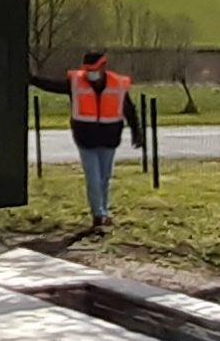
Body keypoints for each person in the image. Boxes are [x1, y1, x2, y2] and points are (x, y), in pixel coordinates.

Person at [31, 51, 142, 230]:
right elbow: (53, 85)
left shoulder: (117, 84)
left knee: (104, 178)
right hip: (86, 140)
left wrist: (137, 132)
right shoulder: (76, 83)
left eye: (94, 69)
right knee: (93, 178)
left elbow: (129, 109)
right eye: (88, 70)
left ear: (103, 66)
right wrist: (33, 79)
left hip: (109, 139)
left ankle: (104, 212)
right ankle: (98, 215)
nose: (91, 74)